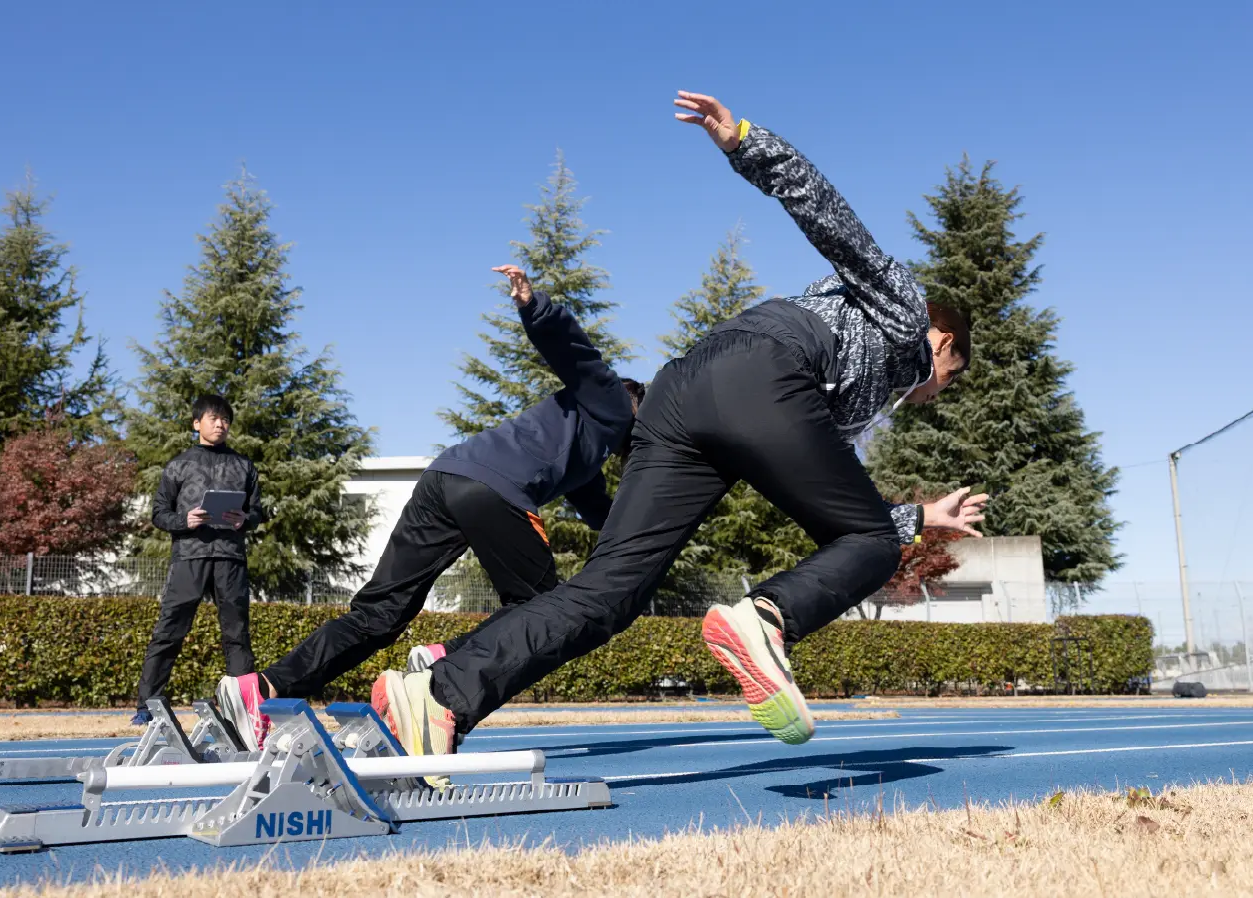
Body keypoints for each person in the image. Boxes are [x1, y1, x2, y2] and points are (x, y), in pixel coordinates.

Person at [372, 91, 990, 760]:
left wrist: (920, 518)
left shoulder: (853, 402)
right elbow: (829, 217)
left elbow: (831, 499)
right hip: (762, 371)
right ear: (942, 337)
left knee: (611, 595)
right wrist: (747, 142)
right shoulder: (901, 304)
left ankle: (439, 695)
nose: (936, 392)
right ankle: (763, 620)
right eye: (948, 375)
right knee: (869, 540)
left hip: (684, 395)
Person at [218, 265, 642, 745]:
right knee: (543, 606)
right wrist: (533, 305)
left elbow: (598, 509)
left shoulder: (584, 442)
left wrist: (636, 539)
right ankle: (445, 662)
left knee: (380, 612)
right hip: (494, 489)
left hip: (444, 478)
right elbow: (576, 354)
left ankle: (263, 688)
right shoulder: (611, 400)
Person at [134, 394, 266, 748]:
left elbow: (257, 510)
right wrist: (184, 519)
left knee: (237, 634)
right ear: (197, 423)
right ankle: (146, 705)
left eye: (225, 419)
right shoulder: (178, 465)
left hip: (230, 558)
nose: (220, 424)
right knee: (169, 630)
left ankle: (248, 712)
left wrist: (245, 519)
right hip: (189, 556)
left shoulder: (244, 465)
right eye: (213, 418)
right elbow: (159, 513)